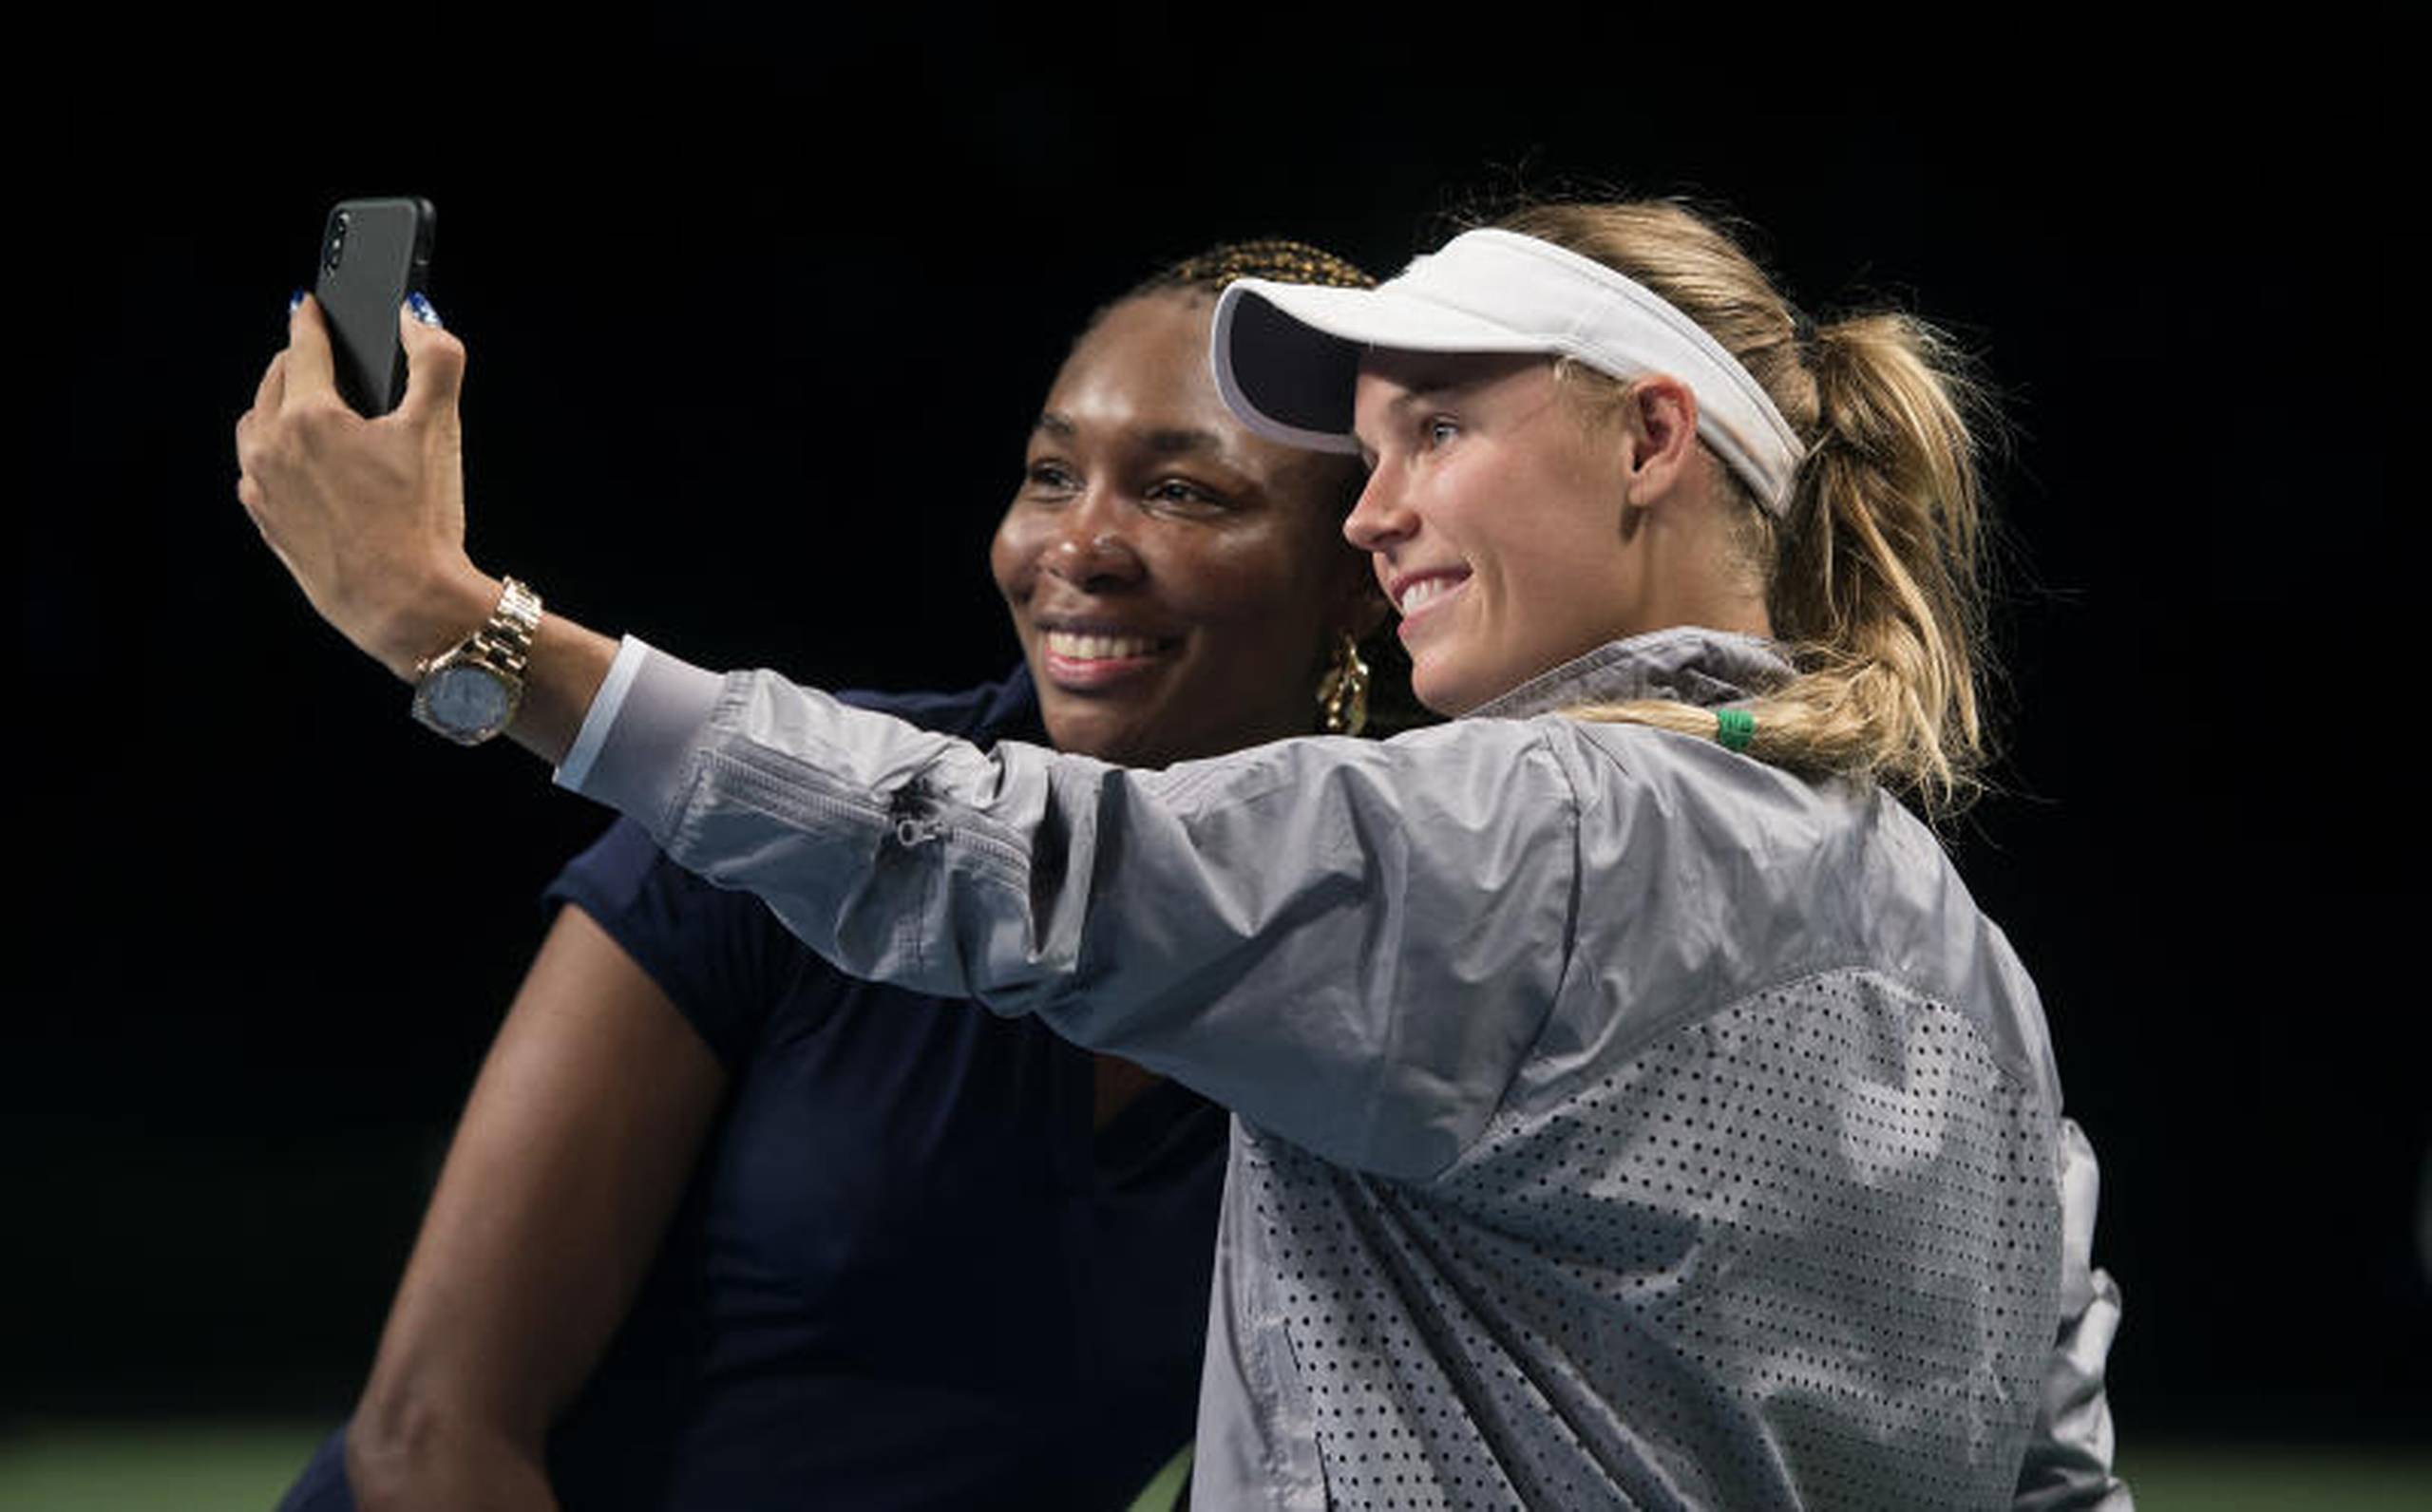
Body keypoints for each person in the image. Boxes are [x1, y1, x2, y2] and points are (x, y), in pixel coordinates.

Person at [238, 198, 2130, 1509]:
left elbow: (995, 860)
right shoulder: (1973, 964)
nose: (1380, 511)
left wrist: (453, 620)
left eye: (1436, 431)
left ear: (1648, 438)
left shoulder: (1532, 824)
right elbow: (2049, 1470)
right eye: (1361, 456)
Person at [273, 239, 1394, 1511]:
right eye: (1048, 473)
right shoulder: (761, 825)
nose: (1077, 545)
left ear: (1358, 575)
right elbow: (434, 1437)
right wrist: (436, 608)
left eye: (1183, 491)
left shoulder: (1376, 980)